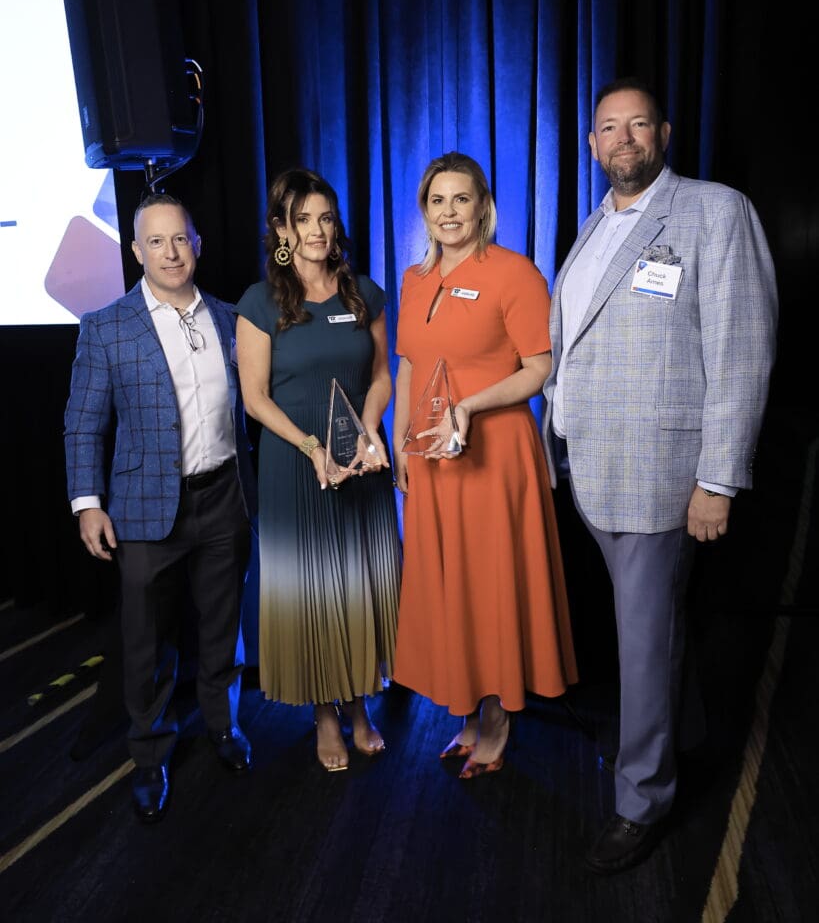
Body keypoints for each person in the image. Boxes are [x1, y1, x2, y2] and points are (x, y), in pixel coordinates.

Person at [543, 77, 778, 873]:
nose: (622, 139)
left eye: (637, 124)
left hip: (658, 474)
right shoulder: (591, 228)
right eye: (608, 128)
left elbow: (742, 353)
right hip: (590, 468)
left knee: (644, 639)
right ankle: (678, 737)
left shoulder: (714, 212)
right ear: (591, 144)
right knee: (651, 632)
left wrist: (717, 479)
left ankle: (640, 803)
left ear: (664, 133)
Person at [64, 192, 256, 823]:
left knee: (222, 627)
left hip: (223, 496)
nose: (171, 253)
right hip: (144, 509)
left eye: (181, 239)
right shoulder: (107, 325)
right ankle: (149, 756)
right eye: (156, 242)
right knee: (146, 642)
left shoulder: (232, 318)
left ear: (196, 244)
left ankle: (224, 729)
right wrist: (88, 504)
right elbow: (84, 423)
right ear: (136, 251)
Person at [391, 152, 578, 779]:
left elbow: (539, 367)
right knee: (451, 588)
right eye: (438, 201)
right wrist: (400, 441)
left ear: (484, 206)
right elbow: (410, 364)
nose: (449, 213)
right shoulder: (415, 279)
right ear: (425, 210)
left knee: (492, 585)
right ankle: (467, 715)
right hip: (434, 463)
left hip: (493, 458)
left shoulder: (514, 274)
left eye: (461, 200)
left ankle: (499, 721)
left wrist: (468, 406)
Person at [235, 168, 402, 772]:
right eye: (302, 219)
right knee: (310, 593)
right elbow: (255, 397)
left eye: (325, 218)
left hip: (359, 463)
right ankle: (324, 715)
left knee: (359, 584)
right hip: (296, 464)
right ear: (280, 227)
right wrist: (312, 448)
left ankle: (361, 707)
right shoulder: (260, 302)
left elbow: (383, 374)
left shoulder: (365, 293)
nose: (316, 230)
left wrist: (368, 429)